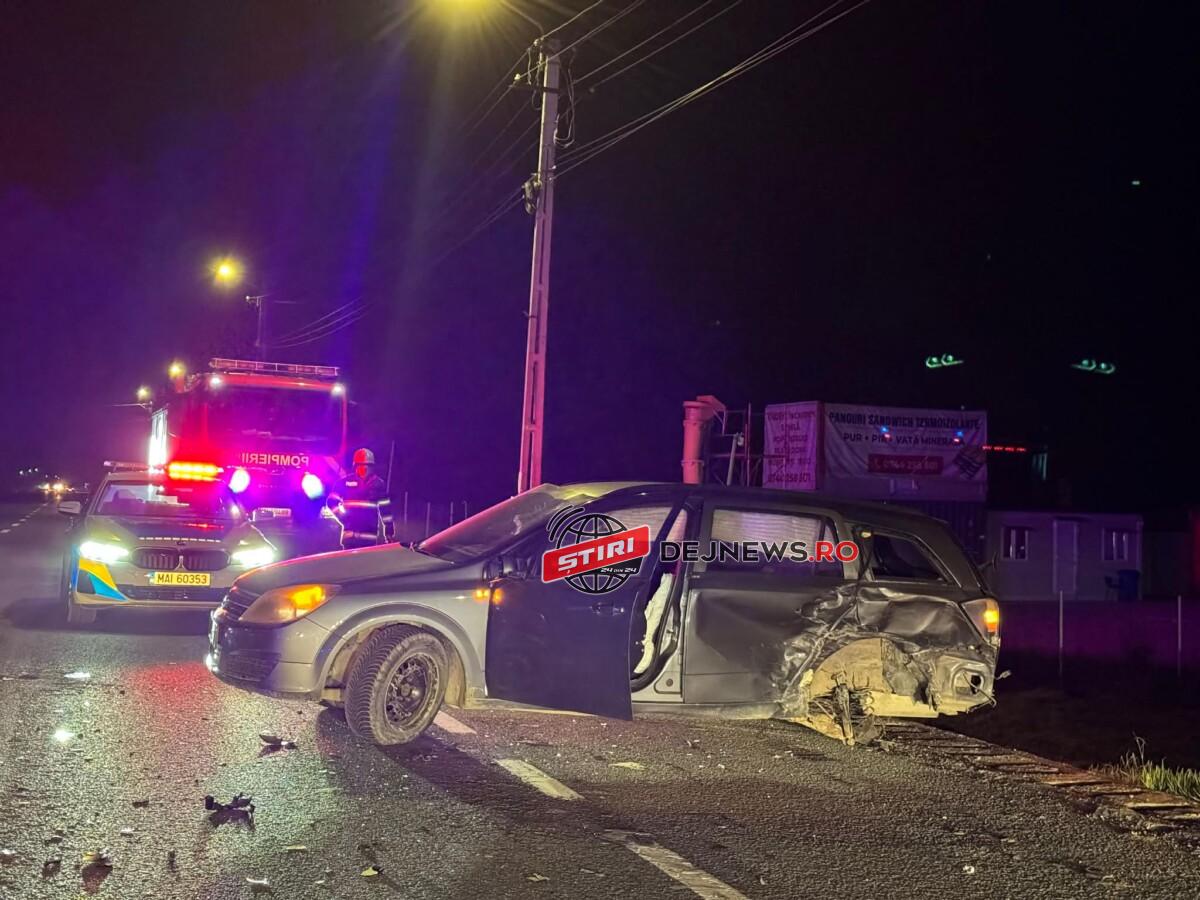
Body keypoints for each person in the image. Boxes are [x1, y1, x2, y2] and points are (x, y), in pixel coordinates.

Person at [339, 448, 393, 546]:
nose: (364, 469)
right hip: (350, 536)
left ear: (372, 467)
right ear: (355, 466)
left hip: (369, 537)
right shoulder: (345, 482)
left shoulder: (378, 484)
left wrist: (389, 531)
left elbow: (385, 510)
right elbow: (331, 501)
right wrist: (343, 518)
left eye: (367, 466)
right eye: (361, 466)